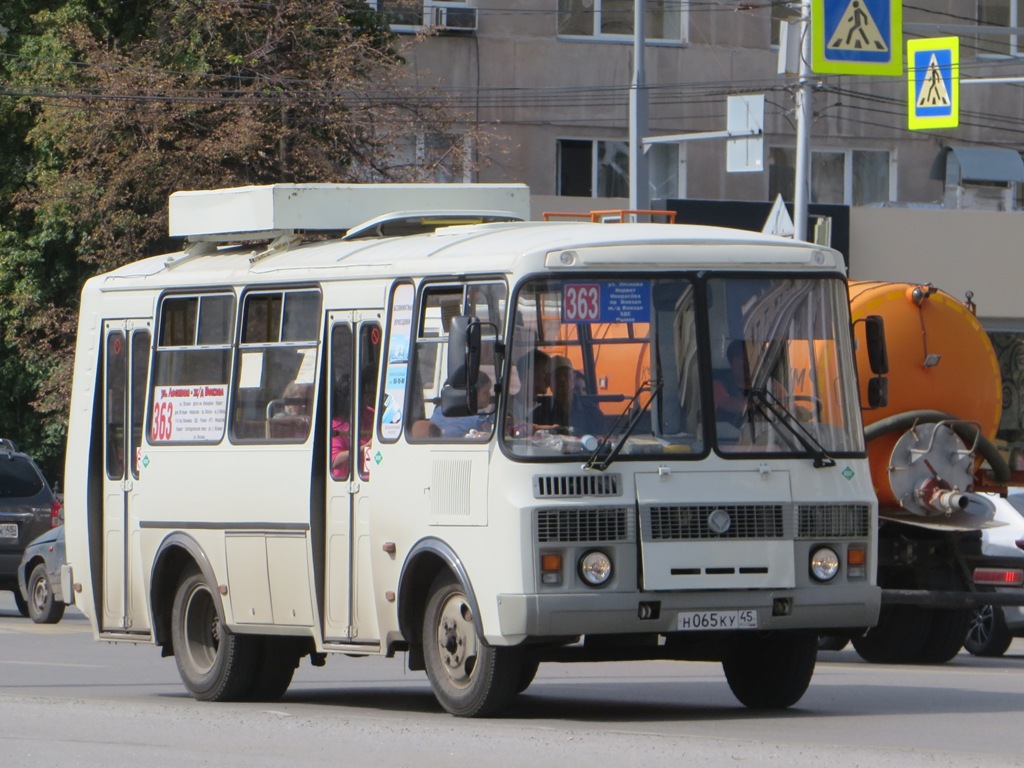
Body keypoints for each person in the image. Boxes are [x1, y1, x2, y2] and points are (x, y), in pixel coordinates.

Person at [534, 355, 605, 436]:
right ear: (548, 381)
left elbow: (601, 441)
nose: (563, 380)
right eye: (557, 376)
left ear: (573, 377)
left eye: (565, 374)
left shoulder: (592, 412)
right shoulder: (539, 415)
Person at [430, 371, 495, 437]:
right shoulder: (479, 417)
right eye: (485, 392)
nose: (489, 395)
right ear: (472, 394)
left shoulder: (439, 411)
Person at [713, 340, 749, 426]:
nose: (748, 363)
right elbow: (727, 403)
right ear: (734, 361)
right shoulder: (718, 385)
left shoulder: (764, 382)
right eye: (743, 359)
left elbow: (785, 402)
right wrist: (758, 407)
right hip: (726, 437)